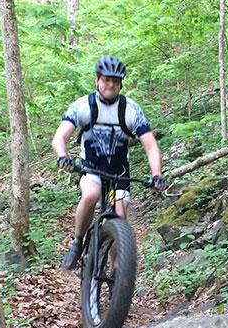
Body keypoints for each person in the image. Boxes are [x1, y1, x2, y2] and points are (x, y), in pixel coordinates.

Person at [52, 55, 166, 270]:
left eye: (115, 81)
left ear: (121, 84)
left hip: (119, 173)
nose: (110, 85)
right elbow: (60, 137)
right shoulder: (83, 106)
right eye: (106, 80)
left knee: (120, 218)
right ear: (97, 81)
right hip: (91, 169)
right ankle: (77, 242)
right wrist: (62, 155)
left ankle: (118, 273)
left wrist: (157, 174)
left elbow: (150, 145)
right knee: (91, 195)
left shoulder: (131, 110)